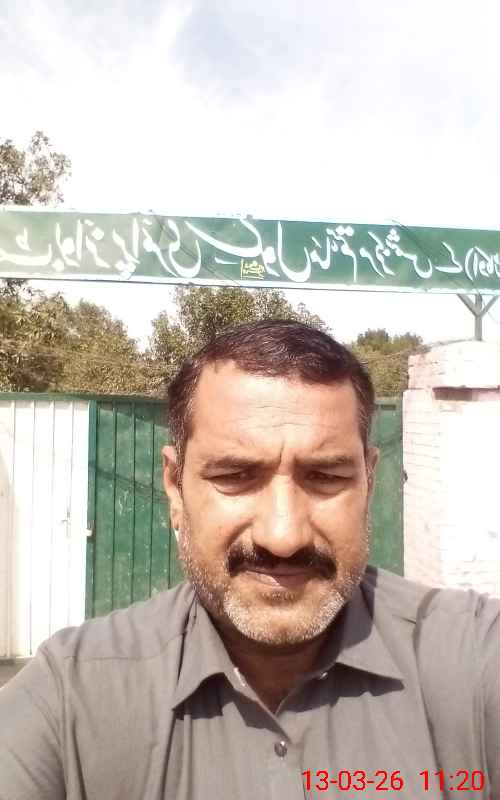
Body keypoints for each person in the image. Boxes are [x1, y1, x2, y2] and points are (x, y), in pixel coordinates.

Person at [1, 319, 498, 800]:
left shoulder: (471, 664)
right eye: (235, 477)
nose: (283, 536)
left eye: (325, 477)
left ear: (369, 482)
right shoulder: (72, 698)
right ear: (175, 486)